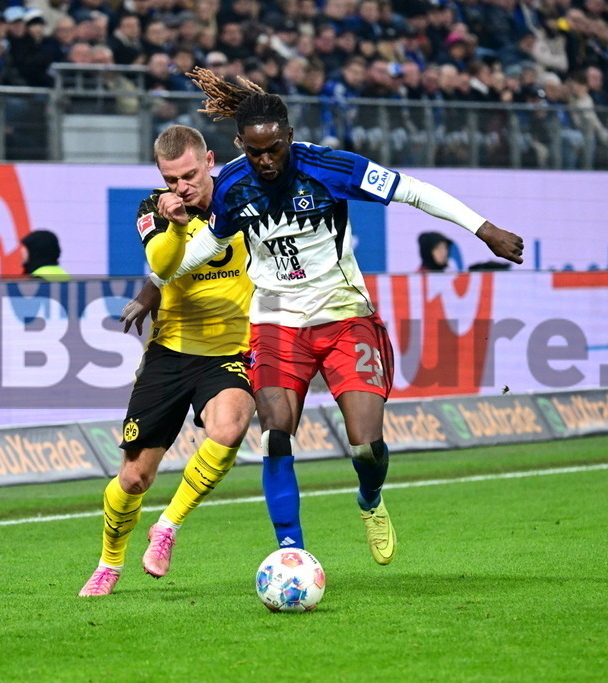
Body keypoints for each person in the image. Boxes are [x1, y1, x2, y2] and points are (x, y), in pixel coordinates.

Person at [142, 68, 523, 566]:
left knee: (366, 446)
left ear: (289, 138)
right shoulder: (233, 186)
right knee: (276, 431)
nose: (265, 160)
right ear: (239, 144)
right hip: (276, 320)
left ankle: (369, 499)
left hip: (344, 314)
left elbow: (412, 190)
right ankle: (291, 553)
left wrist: (483, 228)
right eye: (254, 151)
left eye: (274, 148)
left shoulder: (330, 167)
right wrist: (157, 282)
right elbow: (209, 246)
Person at [80, 125, 256, 596]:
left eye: (190, 175)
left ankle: (168, 527)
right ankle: (109, 563)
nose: (182, 186)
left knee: (231, 425)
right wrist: (177, 224)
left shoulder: (246, 200)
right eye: (171, 177)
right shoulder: (152, 209)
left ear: (210, 161)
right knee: (135, 478)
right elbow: (160, 265)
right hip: (170, 352)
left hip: (230, 352)